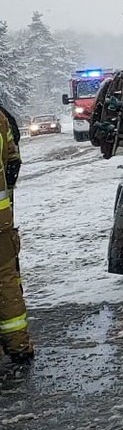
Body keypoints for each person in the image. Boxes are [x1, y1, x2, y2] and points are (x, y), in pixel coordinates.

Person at [0, 105, 31, 364]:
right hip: (0, 221)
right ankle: (18, 345)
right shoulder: (1, 120)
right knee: (6, 280)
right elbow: (13, 162)